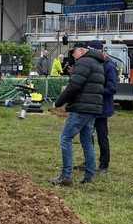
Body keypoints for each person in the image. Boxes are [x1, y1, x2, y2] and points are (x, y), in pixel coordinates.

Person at [50, 42, 105, 186]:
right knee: (87, 141)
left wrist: (58, 102)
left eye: (73, 52)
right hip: (93, 108)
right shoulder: (97, 63)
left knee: (65, 138)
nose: (73, 55)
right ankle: (89, 175)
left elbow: (74, 85)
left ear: (81, 51)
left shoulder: (83, 62)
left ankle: (66, 176)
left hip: (81, 108)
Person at [90, 41, 117, 174]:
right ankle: (88, 161)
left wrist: (95, 90)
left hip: (102, 108)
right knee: (87, 135)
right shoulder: (94, 64)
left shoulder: (109, 66)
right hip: (90, 107)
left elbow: (112, 88)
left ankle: (104, 164)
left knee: (102, 136)